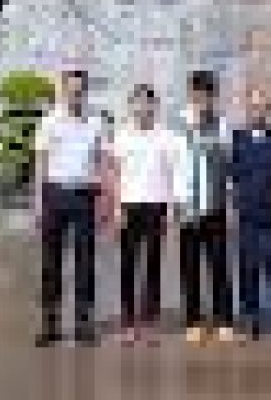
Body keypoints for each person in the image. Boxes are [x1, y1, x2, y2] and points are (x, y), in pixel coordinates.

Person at [32, 68, 107, 347]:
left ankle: (83, 322)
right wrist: (38, 201)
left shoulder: (96, 122)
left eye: (80, 90)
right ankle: (50, 322)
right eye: (71, 90)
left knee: (85, 260)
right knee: (51, 261)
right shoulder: (49, 121)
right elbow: (41, 162)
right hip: (55, 193)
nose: (76, 94)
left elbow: (101, 161)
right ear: (63, 91)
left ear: (86, 91)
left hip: (85, 195)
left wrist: (103, 199)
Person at [108, 83, 180, 345]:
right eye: (137, 103)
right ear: (131, 106)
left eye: (146, 103)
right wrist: (116, 207)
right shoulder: (121, 136)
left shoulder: (166, 136)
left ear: (154, 105)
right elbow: (115, 173)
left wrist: (171, 208)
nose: (142, 108)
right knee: (128, 265)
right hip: (129, 205)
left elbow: (172, 174)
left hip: (156, 205)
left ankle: (150, 324)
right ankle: (128, 323)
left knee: (153, 265)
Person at [173, 70, 236, 343]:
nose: (203, 101)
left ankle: (224, 320)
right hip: (188, 205)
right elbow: (172, 166)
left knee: (219, 263)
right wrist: (174, 203)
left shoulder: (221, 125)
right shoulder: (177, 124)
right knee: (190, 266)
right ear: (191, 95)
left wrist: (230, 203)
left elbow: (228, 166)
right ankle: (193, 321)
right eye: (198, 95)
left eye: (209, 95)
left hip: (215, 204)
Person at [229, 86, 271, 339]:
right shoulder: (237, 138)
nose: (258, 112)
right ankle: (250, 320)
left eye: (263, 108)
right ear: (247, 110)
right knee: (248, 269)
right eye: (254, 107)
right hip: (246, 214)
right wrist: (232, 210)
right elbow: (232, 179)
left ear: (269, 110)